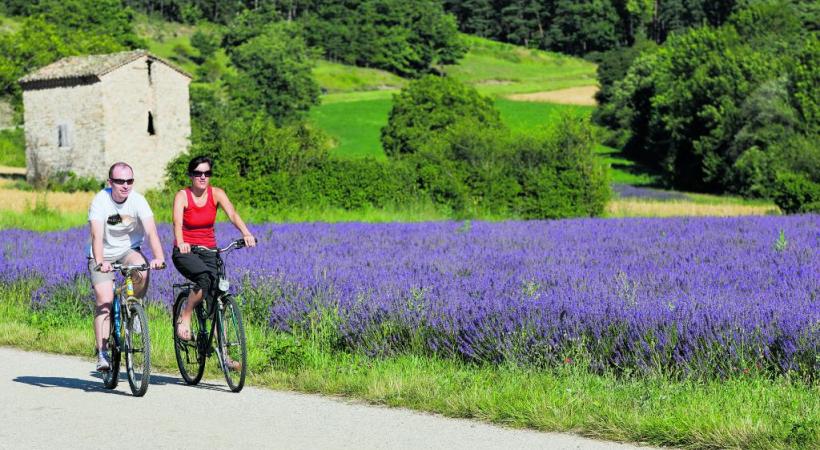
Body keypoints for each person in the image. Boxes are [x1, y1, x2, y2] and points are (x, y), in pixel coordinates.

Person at [172, 156, 255, 366]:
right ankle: (186, 315)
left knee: (218, 296)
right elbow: (177, 223)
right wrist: (181, 242)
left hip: (209, 250)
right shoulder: (183, 196)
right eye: (198, 173)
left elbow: (233, 214)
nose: (202, 177)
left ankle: (224, 355)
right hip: (186, 251)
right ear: (191, 175)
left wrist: (246, 233)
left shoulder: (216, 194)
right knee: (203, 278)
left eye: (206, 173)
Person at [88, 162, 165, 371]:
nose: (125, 185)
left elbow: (151, 232)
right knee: (105, 299)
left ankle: (134, 307)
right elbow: (96, 236)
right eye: (120, 181)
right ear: (110, 182)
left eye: (129, 181)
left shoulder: (139, 201)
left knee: (142, 267)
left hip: (128, 251)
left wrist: (158, 257)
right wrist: (101, 261)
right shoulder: (100, 201)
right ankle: (103, 353)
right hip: (102, 253)